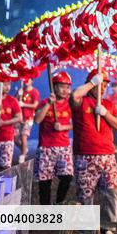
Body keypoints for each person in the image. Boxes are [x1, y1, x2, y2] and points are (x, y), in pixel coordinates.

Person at [70, 69, 117, 234]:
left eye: (105, 84)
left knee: (111, 191)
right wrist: (92, 82)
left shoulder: (109, 104)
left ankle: (108, 227)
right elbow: (74, 95)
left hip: (107, 155)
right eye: (100, 84)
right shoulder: (81, 101)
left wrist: (105, 113)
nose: (103, 87)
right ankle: (86, 232)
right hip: (85, 155)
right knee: (86, 194)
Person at [34, 71, 74, 205]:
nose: (65, 90)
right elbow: (37, 120)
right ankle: (45, 210)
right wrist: (48, 104)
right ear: (54, 87)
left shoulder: (71, 104)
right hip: (46, 147)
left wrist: (63, 127)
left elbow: (76, 124)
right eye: (62, 86)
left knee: (67, 177)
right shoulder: (44, 102)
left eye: (68, 87)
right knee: (45, 182)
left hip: (64, 147)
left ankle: (59, 204)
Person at [16, 77, 40, 163]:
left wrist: (23, 104)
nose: (26, 81)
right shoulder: (20, 91)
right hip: (19, 118)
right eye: (24, 79)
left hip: (29, 118)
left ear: (31, 80)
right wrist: (18, 95)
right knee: (15, 137)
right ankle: (24, 149)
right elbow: (15, 102)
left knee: (24, 135)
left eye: (28, 79)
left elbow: (35, 105)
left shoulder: (34, 92)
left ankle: (23, 155)